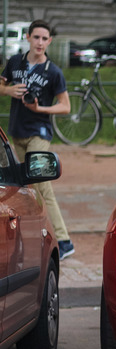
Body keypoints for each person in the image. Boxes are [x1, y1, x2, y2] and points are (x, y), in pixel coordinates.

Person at [0, 20, 74, 259]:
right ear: (28, 38)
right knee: (25, 186)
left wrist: (41, 109)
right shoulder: (14, 63)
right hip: (17, 131)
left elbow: (65, 106)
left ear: (49, 41)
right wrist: (8, 90)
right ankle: (26, 239)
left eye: (45, 39)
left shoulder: (53, 71)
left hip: (39, 133)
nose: (40, 42)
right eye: (36, 37)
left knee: (42, 184)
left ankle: (63, 241)